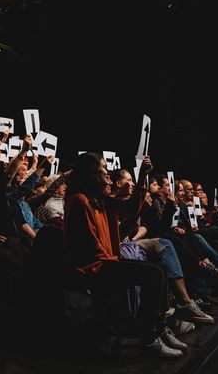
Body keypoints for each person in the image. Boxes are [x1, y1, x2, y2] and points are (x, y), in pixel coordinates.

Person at [64, 152, 184, 358]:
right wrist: (115, 262)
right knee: (153, 274)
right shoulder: (80, 201)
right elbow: (89, 247)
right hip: (92, 267)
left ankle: (158, 328)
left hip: (105, 263)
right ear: (92, 174)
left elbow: (129, 210)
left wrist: (143, 176)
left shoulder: (100, 200)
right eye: (103, 168)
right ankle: (148, 340)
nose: (108, 173)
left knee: (159, 269)